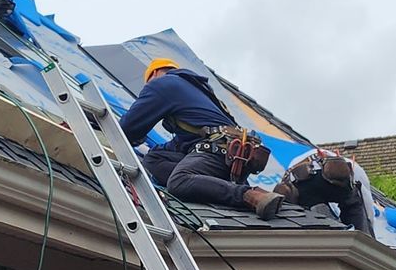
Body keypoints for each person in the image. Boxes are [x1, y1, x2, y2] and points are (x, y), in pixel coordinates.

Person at [118, 57, 282, 218]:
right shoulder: (200, 92)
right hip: (229, 154)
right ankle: (208, 185)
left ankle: (250, 195)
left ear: (154, 74)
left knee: (179, 181)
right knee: (153, 158)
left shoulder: (162, 84)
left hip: (216, 151)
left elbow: (128, 128)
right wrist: (152, 149)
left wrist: (105, 125)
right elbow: (184, 141)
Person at [276, 147, 375, 233]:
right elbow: (367, 213)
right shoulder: (357, 174)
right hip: (314, 183)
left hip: (295, 188)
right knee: (352, 210)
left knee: (315, 220)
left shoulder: (298, 162)